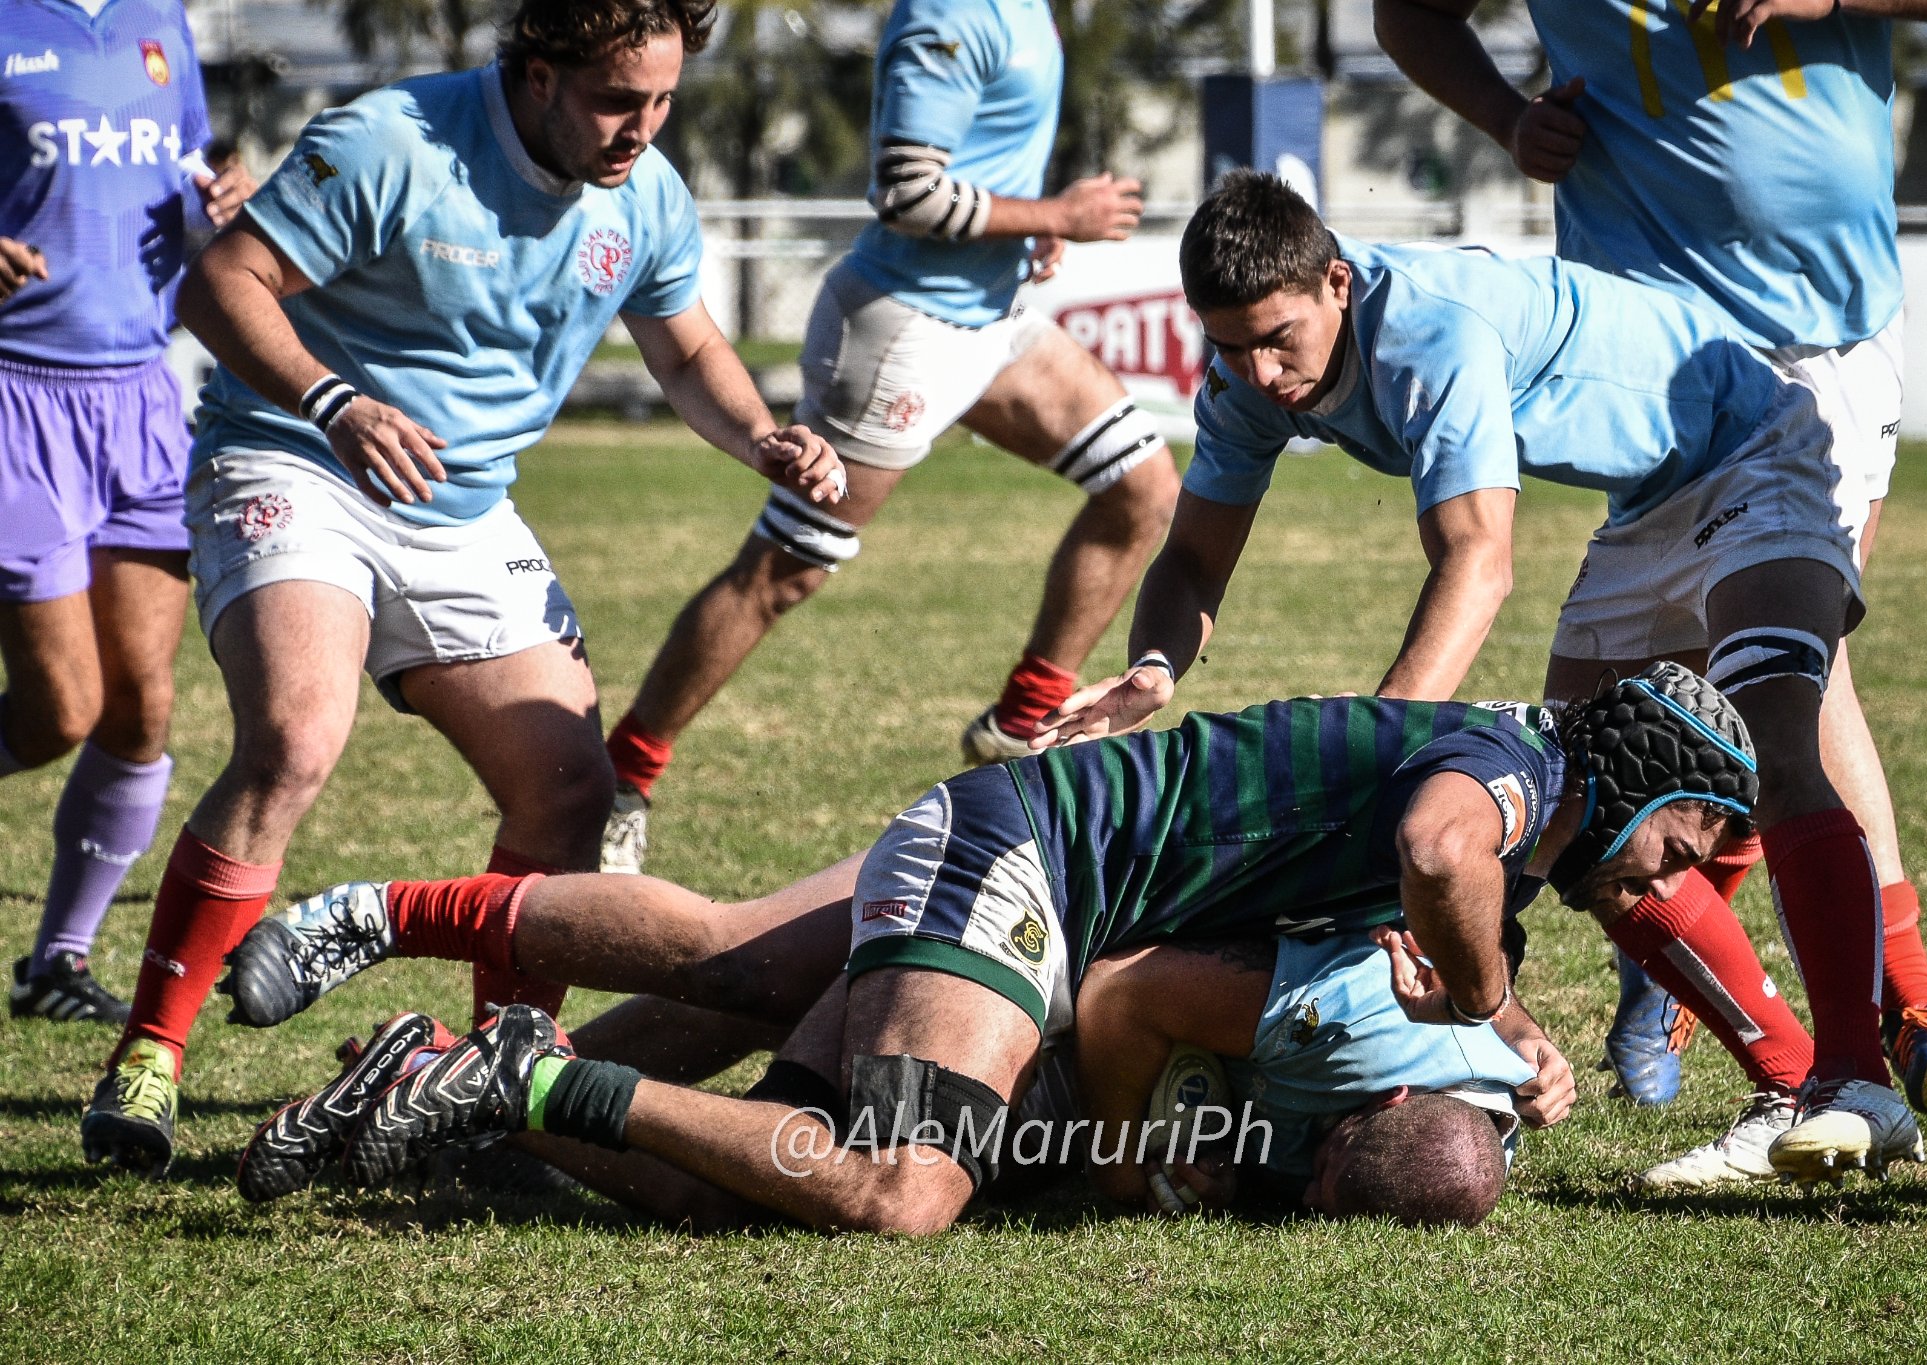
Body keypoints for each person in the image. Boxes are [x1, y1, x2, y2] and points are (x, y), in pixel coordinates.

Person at [78, 0, 846, 1178]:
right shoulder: (391, 141)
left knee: (570, 792)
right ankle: (149, 1054)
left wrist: (760, 435)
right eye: (614, 100)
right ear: (535, 75)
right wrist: (335, 401)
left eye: (663, 101)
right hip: (295, 455)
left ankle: (489, 1090)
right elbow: (220, 283)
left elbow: (686, 349)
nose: (641, 128)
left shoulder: (643, 196)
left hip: (462, 505)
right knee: (294, 736)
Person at [1040, 171, 1924, 1184]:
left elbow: (1477, 561)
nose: (1254, 370)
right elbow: (1191, 559)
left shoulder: (1425, 332)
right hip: (1650, 498)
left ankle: (1869, 1063)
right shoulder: (1247, 372)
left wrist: (1373, 773)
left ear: (1336, 282)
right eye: (1227, 345)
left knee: (1773, 747)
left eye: (1276, 339)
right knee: (1581, 817)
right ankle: (1786, 1079)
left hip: (1761, 440)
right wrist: (1153, 666)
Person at [223, 669, 1754, 1233]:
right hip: (1036, 857)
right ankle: (454, 997)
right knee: (900, 1179)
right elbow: (1436, 856)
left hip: (1045, 863)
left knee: (730, 1131)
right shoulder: (1514, 770)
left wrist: (1509, 1020)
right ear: (1639, 776)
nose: (1676, 884)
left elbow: (1428, 891)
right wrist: (1493, 1003)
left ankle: (436, 1087)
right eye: (1688, 845)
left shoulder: (1519, 803)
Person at [1370, 0, 1927, 1122]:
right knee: (1602, 748)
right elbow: (1406, 12)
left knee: (1794, 689)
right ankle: (1778, 1029)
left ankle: (1878, 1023)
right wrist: (1504, 119)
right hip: (1652, 365)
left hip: (1820, 347)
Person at [595, 0, 1181, 876]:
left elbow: (979, 162)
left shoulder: (1030, 12)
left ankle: (1025, 718)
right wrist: (1053, 207)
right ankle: (622, 778)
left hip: (992, 319)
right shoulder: (947, 14)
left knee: (1144, 484)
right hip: (904, 329)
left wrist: (1038, 223)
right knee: (781, 574)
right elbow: (907, 191)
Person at [237, 931, 1539, 1230]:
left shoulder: (1463, 1118)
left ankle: (443, 1078)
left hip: (984, 949)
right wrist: (1128, 1161)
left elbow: (1501, 1048)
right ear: (1373, 1104)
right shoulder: (1339, 1024)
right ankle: (504, 1079)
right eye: (1317, 1175)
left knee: (744, 991)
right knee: (758, 1182)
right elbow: (1127, 989)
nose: (1297, 1187)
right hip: (999, 972)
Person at [1, 0, 251, 1024]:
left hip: (143, 396)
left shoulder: (162, 23)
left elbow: (189, 174)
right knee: (59, 711)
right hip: (16, 392)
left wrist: (222, 194)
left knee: (140, 709)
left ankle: (59, 960)